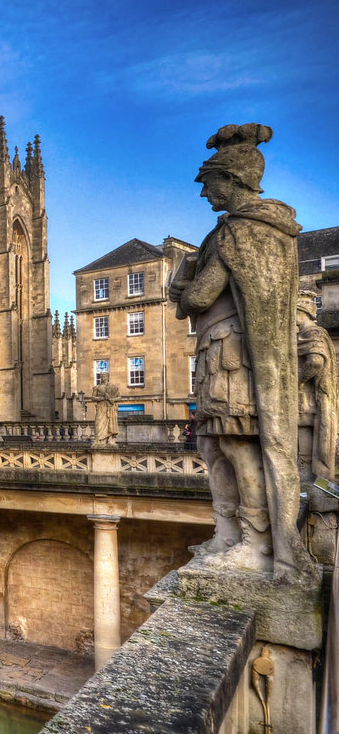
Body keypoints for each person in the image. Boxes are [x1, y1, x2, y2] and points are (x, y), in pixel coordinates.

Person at [169, 122, 316, 585]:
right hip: (218, 350)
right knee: (213, 446)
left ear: (231, 180)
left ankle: (255, 544)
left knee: (236, 443)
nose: (203, 194)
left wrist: (180, 283)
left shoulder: (244, 231)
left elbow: (196, 299)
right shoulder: (236, 231)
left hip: (235, 352)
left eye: (208, 184)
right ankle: (228, 533)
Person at [296, 290, 337, 493]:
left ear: (301, 312)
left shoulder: (311, 333)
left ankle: (309, 484)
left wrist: (295, 381)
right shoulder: (308, 334)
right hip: (307, 401)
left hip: (307, 401)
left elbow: (315, 362)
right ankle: (312, 484)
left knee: (303, 447)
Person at [91, 374, 120, 446]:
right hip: (101, 407)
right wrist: (103, 398)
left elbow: (119, 397)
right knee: (98, 422)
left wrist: (111, 399)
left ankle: (110, 439)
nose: (102, 378)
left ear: (107, 377)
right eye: (101, 377)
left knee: (110, 423)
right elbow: (93, 398)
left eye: (104, 376)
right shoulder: (97, 387)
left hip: (110, 407)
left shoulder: (113, 387)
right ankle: (98, 440)